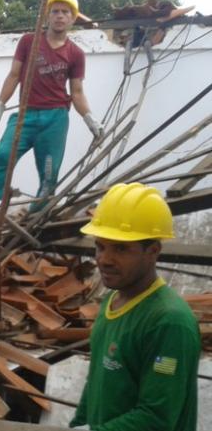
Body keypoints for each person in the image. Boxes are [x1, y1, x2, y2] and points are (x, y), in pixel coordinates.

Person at [70, 182, 200, 431]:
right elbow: (96, 382)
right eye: (100, 246)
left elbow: (156, 419)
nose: (104, 259)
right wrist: (79, 424)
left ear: (153, 250)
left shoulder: (168, 321)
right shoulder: (111, 302)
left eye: (120, 248)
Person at [0, 0, 103, 225]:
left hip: (56, 118)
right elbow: (14, 75)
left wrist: (90, 119)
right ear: (48, 16)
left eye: (65, 12)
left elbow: (76, 92)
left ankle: (38, 213)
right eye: (55, 11)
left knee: (49, 171)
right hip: (25, 116)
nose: (60, 16)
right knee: (3, 156)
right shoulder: (29, 42)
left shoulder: (75, 54)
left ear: (72, 18)